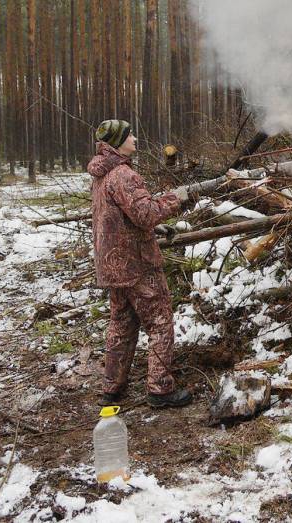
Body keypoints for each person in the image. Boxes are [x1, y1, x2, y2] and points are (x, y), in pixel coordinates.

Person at [87, 119, 193, 408]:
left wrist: (152, 229)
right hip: (136, 264)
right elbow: (145, 214)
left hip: (111, 263)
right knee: (159, 321)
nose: (134, 137)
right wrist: (176, 199)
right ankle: (160, 389)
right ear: (118, 141)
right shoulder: (123, 174)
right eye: (129, 134)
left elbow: (116, 217)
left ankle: (112, 388)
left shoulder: (101, 175)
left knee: (121, 324)